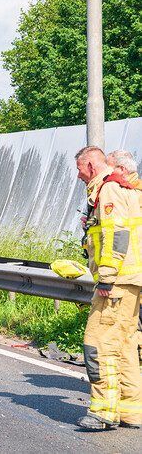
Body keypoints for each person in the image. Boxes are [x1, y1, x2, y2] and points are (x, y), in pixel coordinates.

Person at [75, 146, 142, 430]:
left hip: (116, 281)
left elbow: (116, 234)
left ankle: (103, 412)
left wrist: (106, 276)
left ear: (90, 164)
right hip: (131, 280)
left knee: (98, 343)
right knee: (125, 343)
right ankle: (130, 410)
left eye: (79, 168)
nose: (78, 175)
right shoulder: (126, 189)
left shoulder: (109, 189)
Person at [106, 149, 142, 382]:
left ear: (121, 169)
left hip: (132, 273)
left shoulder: (129, 194)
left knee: (131, 330)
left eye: (110, 168)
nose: (107, 174)